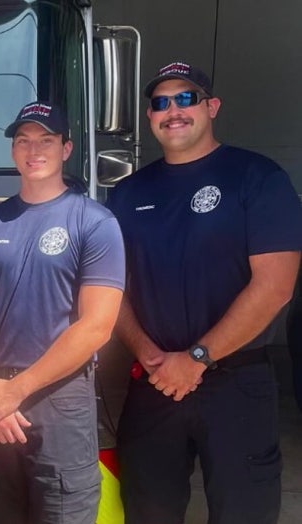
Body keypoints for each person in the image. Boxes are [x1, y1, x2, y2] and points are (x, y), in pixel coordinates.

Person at [106, 61, 302, 524]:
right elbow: (114, 290)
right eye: (161, 103)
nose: (173, 110)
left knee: (244, 512)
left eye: (186, 98)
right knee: (147, 510)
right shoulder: (128, 193)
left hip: (236, 385)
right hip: (154, 383)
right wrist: (150, 354)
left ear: (211, 107)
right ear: (151, 116)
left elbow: (275, 286)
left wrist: (195, 358)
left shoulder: (258, 178)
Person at [0, 101, 125, 524]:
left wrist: (17, 391)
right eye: (23, 141)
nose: (34, 149)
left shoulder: (95, 222)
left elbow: (97, 326)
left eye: (46, 140)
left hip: (60, 400)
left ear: (66, 149)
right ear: (13, 151)